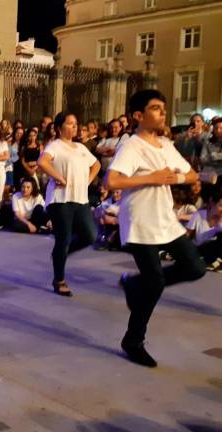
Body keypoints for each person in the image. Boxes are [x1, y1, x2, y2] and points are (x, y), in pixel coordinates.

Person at [105, 89, 206, 368]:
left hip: (165, 219)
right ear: (139, 115)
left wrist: (173, 177)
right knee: (156, 283)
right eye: (155, 108)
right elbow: (111, 181)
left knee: (195, 268)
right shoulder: (132, 146)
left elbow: (192, 174)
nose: (162, 112)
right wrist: (151, 177)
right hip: (140, 221)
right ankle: (133, 341)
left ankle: (134, 283)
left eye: (163, 107)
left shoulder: (166, 145)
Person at [38, 112, 101, 296]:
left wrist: (87, 181)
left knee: (90, 235)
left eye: (75, 124)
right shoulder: (55, 145)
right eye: (70, 123)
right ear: (59, 127)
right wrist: (58, 177)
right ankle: (59, 280)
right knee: (63, 238)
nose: (74, 127)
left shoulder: (81, 147)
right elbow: (43, 161)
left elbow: (96, 164)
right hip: (61, 199)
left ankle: (61, 253)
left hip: (80, 198)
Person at [187, 191, 222, 272]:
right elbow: (187, 235)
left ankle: (216, 262)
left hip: (215, 252)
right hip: (199, 249)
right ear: (212, 203)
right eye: (220, 206)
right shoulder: (198, 215)